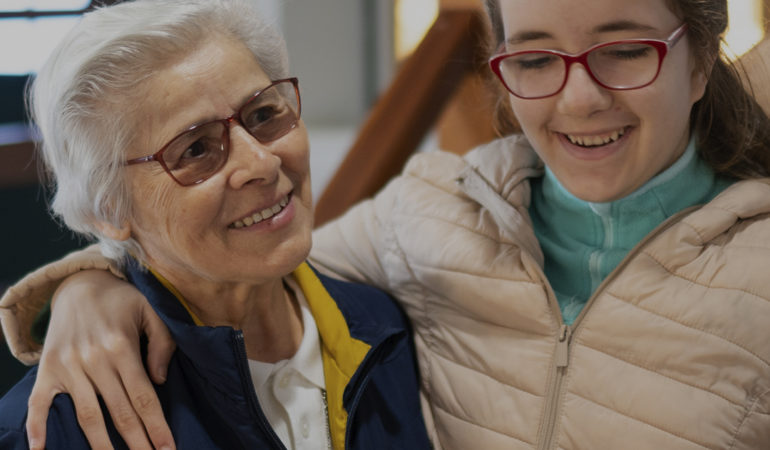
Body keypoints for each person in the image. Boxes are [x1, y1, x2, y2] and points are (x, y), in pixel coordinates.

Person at [3, 0, 770, 448]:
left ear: (702, 60)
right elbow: (246, 264)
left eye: (626, 50)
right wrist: (91, 284)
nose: (579, 99)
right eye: (535, 60)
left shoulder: (374, 324)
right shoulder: (428, 217)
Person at [0, 1, 433, 449]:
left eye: (264, 114)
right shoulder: (55, 431)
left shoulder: (389, 331)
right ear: (109, 211)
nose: (261, 162)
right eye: (195, 149)